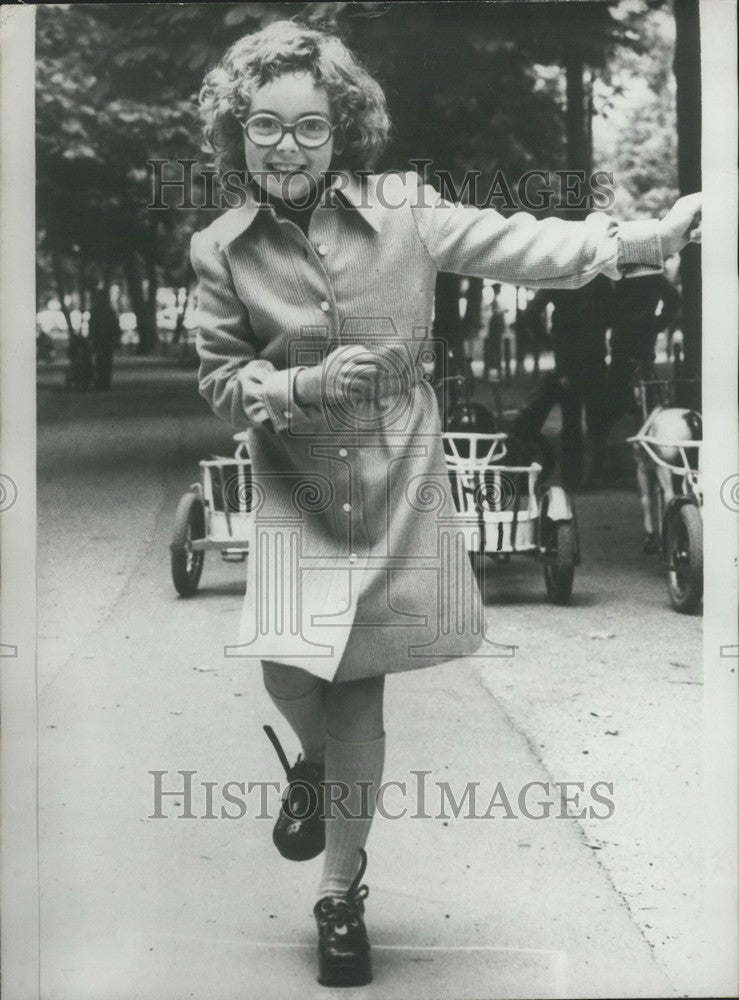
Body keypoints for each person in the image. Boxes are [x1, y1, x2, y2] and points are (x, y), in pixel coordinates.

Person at [191, 20, 701, 989]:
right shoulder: (220, 247)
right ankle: (312, 768)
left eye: (307, 126)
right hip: (297, 472)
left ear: (341, 129)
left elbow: (523, 244)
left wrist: (642, 238)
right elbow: (220, 380)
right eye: (264, 126)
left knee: (359, 687)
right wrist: (297, 388)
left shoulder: (405, 211)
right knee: (289, 668)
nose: (286, 147)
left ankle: (340, 895)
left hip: (392, 469)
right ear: (237, 134)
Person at [528, 276, 614, 488]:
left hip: (567, 358)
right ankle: (596, 474)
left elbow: (531, 312)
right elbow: (614, 310)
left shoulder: (560, 276)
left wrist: (547, 340)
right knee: (597, 419)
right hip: (594, 355)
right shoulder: (599, 278)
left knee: (571, 420)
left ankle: (572, 478)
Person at [606, 272, 681, 426]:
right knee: (637, 384)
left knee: (627, 384)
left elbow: (673, 298)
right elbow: (673, 298)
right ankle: (643, 423)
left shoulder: (618, 273)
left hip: (630, 336)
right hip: (639, 336)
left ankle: (638, 423)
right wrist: (656, 325)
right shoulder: (649, 274)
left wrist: (656, 326)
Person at [88, 287, 119, 390]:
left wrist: (91, 337)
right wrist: (116, 338)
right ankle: (105, 381)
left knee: (100, 360)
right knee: (107, 361)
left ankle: (101, 381)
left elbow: (91, 326)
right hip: (108, 339)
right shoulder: (110, 311)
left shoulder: (95, 311)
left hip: (99, 339)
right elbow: (115, 325)